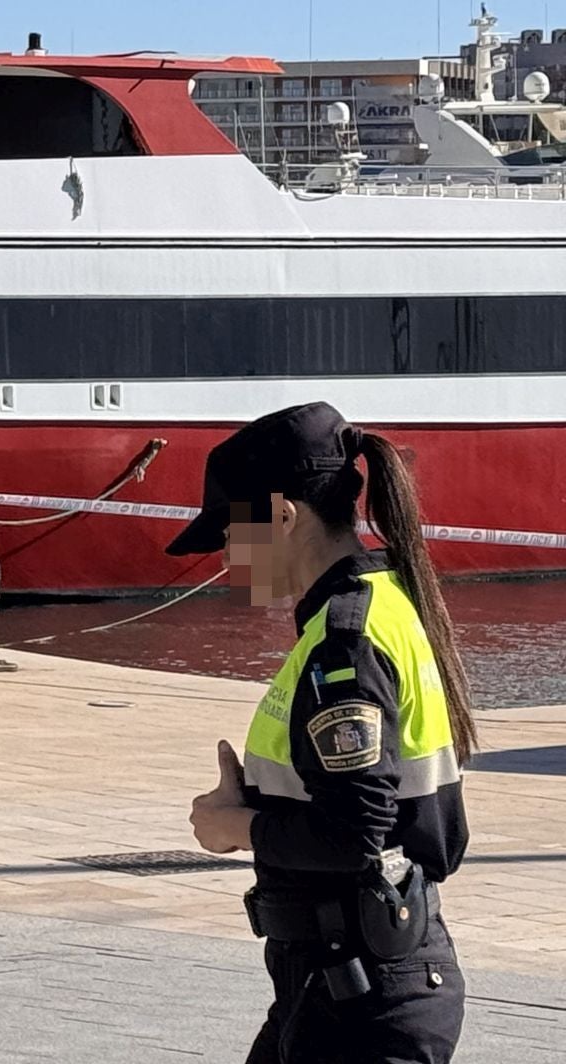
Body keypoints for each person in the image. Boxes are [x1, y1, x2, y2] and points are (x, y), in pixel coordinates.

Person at [174, 402, 474, 1064]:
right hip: (345, 985)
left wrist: (236, 826)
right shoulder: (382, 606)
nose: (225, 554)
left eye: (231, 529)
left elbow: (353, 833)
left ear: (284, 515)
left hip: (362, 1000)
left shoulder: (344, 644)